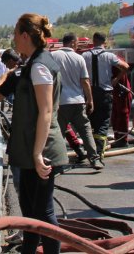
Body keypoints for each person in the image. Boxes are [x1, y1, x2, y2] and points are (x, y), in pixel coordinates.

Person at [8, 13, 68, 254]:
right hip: (33, 150)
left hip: (41, 151)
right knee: (32, 216)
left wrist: (36, 153)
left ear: (25, 36)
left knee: (43, 215)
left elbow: (45, 111)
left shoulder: (40, 65)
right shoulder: (35, 62)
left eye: (15, 34)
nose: (13, 39)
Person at [51, 33, 102, 170]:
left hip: (60, 102)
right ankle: (94, 159)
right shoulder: (79, 58)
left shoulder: (53, 56)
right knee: (85, 131)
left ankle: (58, 163)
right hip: (78, 101)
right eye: (77, 42)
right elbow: (85, 81)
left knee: (59, 134)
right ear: (73, 42)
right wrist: (90, 100)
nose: (78, 44)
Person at [82, 32, 129, 153]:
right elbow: (126, 67)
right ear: (105, 41)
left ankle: (91, 150)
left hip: (89, 93)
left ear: (93, 40)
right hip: (105, 93)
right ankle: (99, 153)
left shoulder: (84, 55)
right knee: (103, 124)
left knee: (91, 122)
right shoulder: (109, 56)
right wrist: (116, 79)